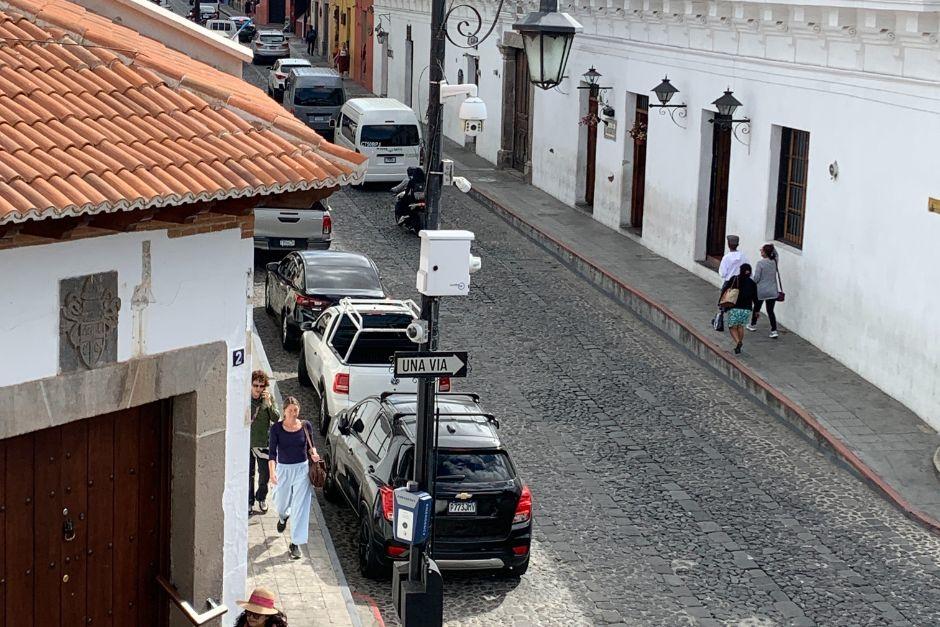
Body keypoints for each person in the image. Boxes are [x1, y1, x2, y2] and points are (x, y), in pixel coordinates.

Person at [269, 396, 319, 560]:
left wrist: (315, 454)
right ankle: (283, 516)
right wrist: (272, 472)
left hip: (302, 470)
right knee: (281, 502)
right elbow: (271, 454)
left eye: (296, 410)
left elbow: (311, 446)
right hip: (283, 469)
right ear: (284, 411)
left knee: (301, 506)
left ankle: (295, 543)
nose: (293, 413)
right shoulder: (276, 429)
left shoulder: (306, 426)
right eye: (290, 410)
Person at [249, 370, 279, 516]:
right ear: (250, 385)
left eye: (261, 386)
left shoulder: (268, 399)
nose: (258, 389)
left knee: (265, 474)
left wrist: (268, 405)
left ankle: (261, 497)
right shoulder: (245, 399)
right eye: (255, 385)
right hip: (247, 443)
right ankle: (249, 501)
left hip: (263, 442)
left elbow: (276, 418)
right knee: (249, 474)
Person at [748, 244, 780, 339]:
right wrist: (772, 247)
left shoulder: (760, 263)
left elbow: (756, 278)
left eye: (762, 250)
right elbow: (776, 254)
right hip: (772, 291)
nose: (760, 252)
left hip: (761, 291)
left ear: (765, 253)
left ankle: (753, 324)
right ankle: (774, 330)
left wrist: (751, 280)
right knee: (770, 311)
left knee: (756, 308)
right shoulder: (774, 261)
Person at [725, 263, 759, 354]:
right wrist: (757, 311)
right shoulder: (752, 283)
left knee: (732, 327)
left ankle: (738, 342)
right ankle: (738, 344)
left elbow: (726, 289)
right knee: (740, 326)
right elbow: (756, 299)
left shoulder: (735, 279)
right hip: (747, 309)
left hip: (734, 307)